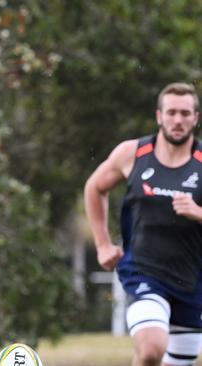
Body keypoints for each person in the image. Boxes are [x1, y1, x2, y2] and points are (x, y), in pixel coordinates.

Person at [84, 82, 202, 366]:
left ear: (195, 118)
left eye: (185, 113)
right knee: (151, 350)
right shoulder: (133, 153)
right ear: (159, 116)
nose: (177, 120)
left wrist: (198, 212)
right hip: (144, 272)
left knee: (176, 362)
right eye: (171, 112)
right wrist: (102, 244)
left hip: (193, 280)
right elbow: (94, 187)